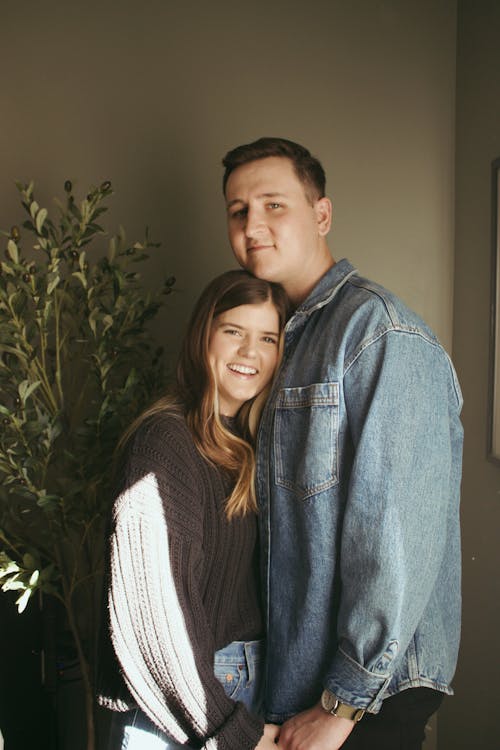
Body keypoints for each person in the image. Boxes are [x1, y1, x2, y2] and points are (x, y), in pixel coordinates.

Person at [221, 137, 463, 750]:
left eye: (274, 205)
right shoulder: (280, 340)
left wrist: (342, 705)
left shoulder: (378, 334)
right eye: (238, 211)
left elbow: (396, 538)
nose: (253, 227)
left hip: (362, 699)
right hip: (297, 678)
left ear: (322, 215)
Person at [97, 269, 288, 750]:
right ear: (204, 334)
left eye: (267, 337)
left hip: (238, 688)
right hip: (188, 707)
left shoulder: (246, 443)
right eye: (234, 332)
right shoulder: (165, 445)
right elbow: (152, 620)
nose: (251, 353)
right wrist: (228, 730)